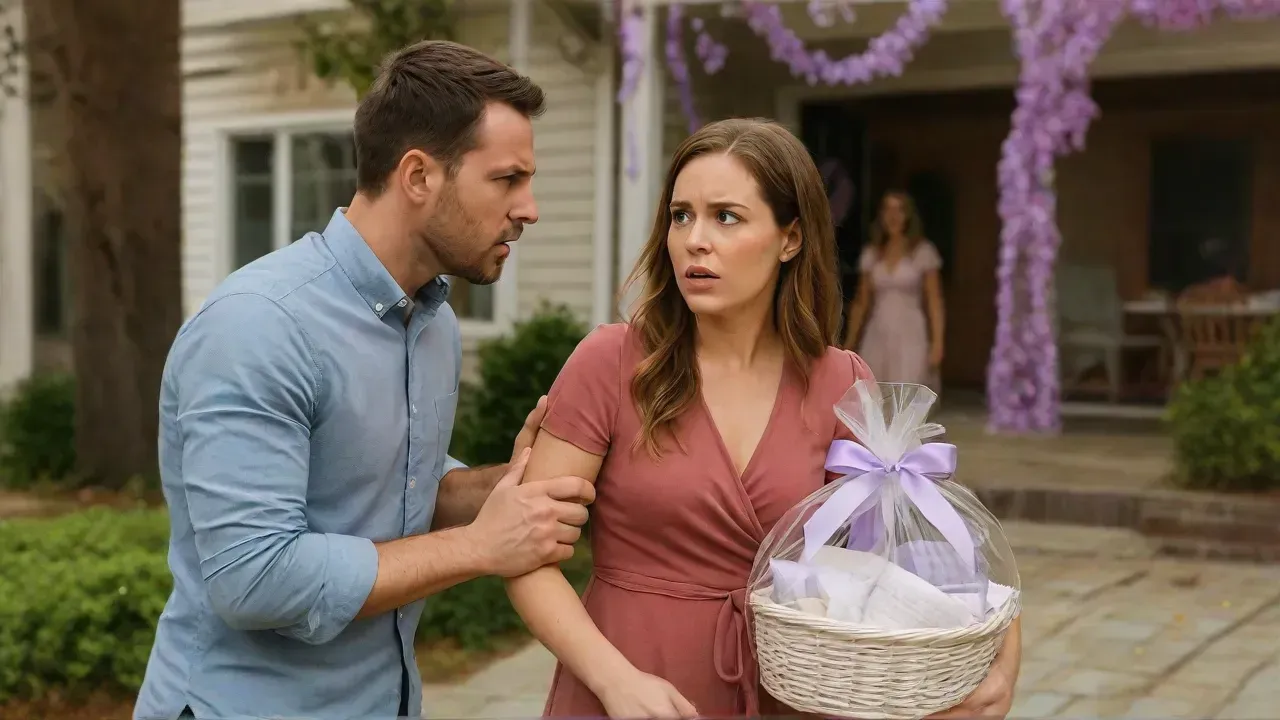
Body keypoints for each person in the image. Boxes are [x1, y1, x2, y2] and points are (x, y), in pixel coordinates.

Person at [133, 41, 595, 720]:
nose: (529, 208)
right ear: (418, 176)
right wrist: (479, 548)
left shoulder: (432, 323)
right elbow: (254, 578)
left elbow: (400, 492)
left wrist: (511, 486)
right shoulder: (259, 325)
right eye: (507, 179)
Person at [504, 119, 1021, 719]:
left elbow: (898, 556)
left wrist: (1004, 653)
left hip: (782, 693)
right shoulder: (610, 362)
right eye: (680, 216)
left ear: (790, 238)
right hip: (620, 689)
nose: (695, 240)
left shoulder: (840, 382)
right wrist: (613, 679)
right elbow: (525, 554)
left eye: (726, 217)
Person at [842, 190, 946, 387]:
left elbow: (934, 301)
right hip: (878, 332)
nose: (893, 216)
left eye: (899, 210)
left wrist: (937, 343)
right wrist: (850, 342)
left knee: (907, 391)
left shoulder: (923, 252)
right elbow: (861, 302)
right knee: (874, 393)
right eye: (888, 210)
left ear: (908, 216)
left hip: (911, 334)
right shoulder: (872, 254)